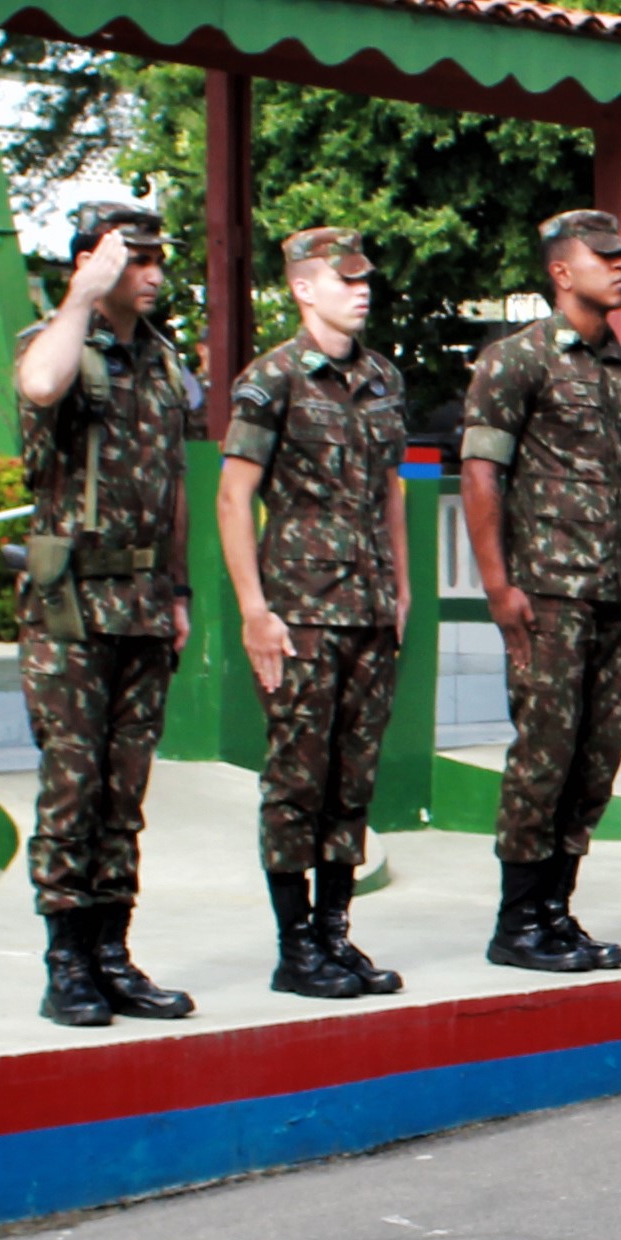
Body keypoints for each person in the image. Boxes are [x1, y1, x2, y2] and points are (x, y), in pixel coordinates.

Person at [216, 227, 413, 1001]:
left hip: (367, 607)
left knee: (352, 779)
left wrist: (400, 584)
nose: (362, 291)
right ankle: (295, 945)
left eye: (366, 279)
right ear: (304, 288)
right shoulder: (272, 378)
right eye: (346, 279)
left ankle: (335, 935)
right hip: (300, 610)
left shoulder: (382, 379)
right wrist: (253, 609)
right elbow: (235, 495)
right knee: (297, 779)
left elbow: (389, 487)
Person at [12, 200, 196, 1027]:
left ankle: (112, 954)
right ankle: (66, 963)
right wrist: (80, 297)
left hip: (145, 603)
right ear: (91, 260)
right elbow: (40, 386)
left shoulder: (159, 357)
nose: (155, 274)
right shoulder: (54, 342)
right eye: (136, 259)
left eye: (160, 259)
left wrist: (181, 591)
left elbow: (175, 485)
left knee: (124, 794)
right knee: (72, 787)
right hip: (72, 605)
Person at [461, 206, 621, 973]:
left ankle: (556, 909)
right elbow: (481, 473)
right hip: (548, 592)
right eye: (602, 256)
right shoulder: (516, 359)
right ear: (560, 271)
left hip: (614, 590)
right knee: (542, 755)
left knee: (594, 758)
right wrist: (499, 584)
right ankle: (519, 919)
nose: (620, 265)